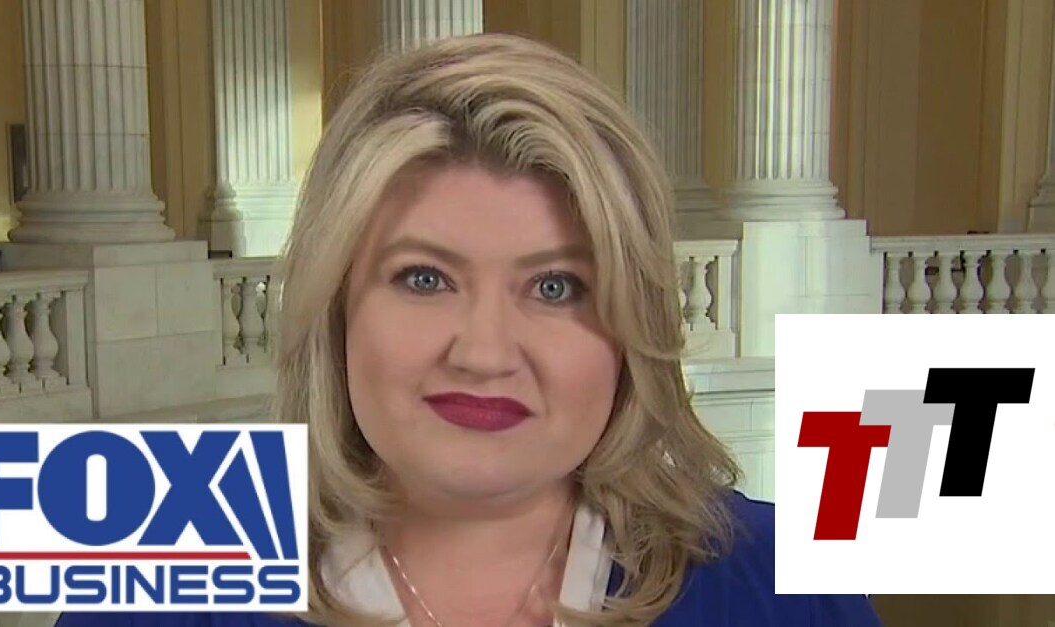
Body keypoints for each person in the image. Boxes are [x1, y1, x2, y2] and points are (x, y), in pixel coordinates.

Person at [55, 33, 880, 626]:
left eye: (556, 287)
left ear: (631, 330)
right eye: (424, 278)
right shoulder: (152, 584)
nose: (484, 352)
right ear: (336, 308)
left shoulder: (782, 582)